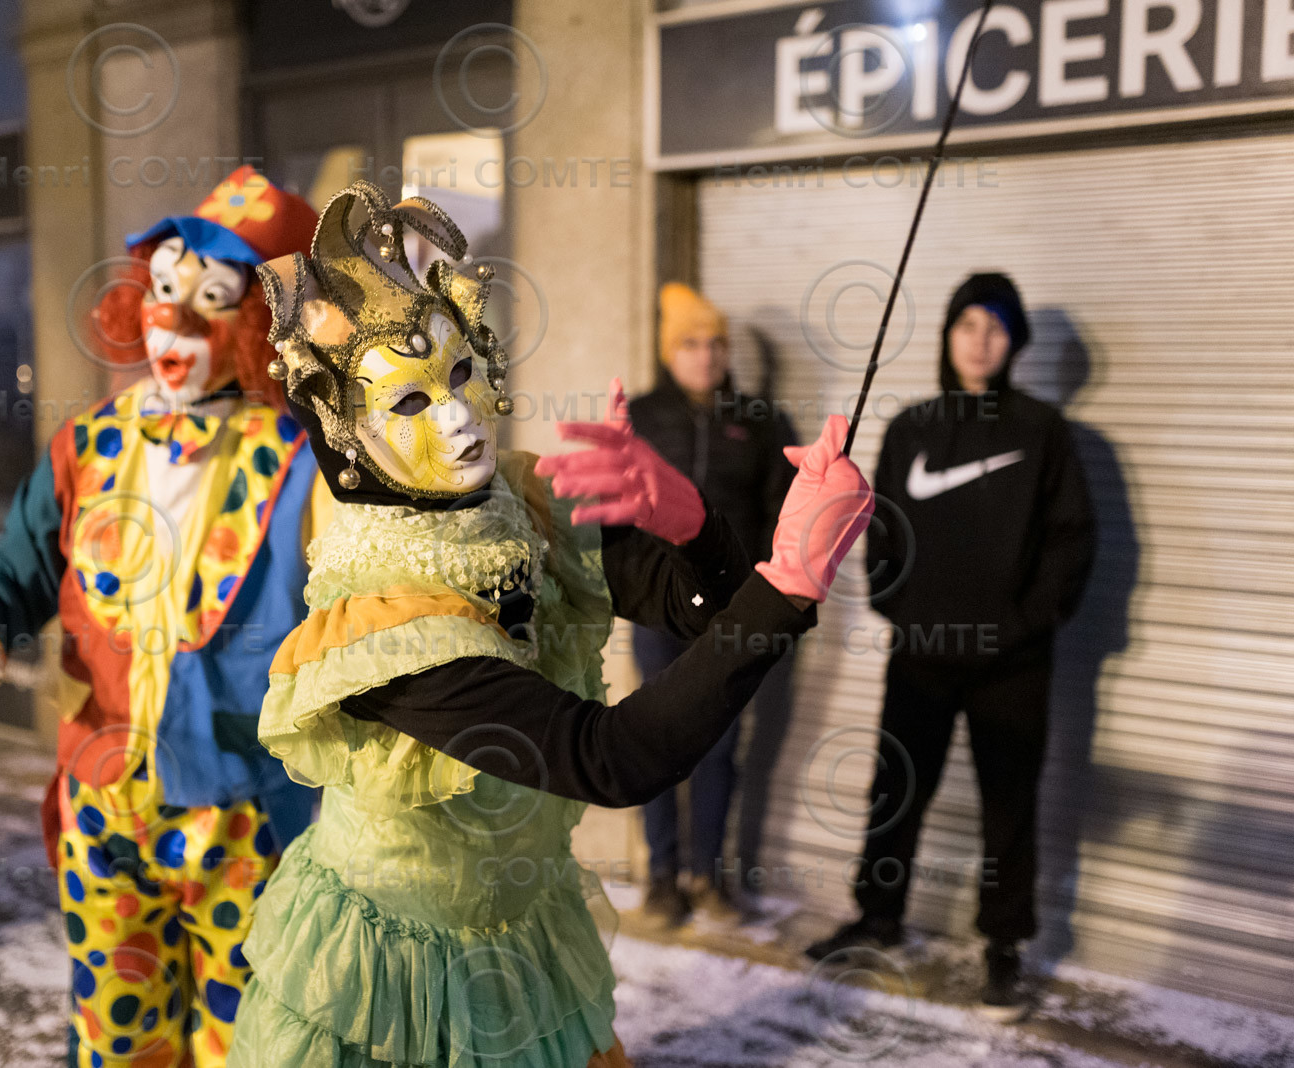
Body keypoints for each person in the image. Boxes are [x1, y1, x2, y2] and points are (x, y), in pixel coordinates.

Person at [222, 180, 872, 1067]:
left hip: (518, 928)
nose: (456, 418)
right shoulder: (380, 623)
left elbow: (700, 612)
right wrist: (790, 576)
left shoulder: (512, 503)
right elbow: (607, 756)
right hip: (396, 978)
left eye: (459, 374)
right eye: (407, 403)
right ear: (346, 435)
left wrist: (694, 526)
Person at [0, 168, 324, 1065]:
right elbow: (22, 562)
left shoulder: (307, 464)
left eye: (211, 300)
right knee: (118, 1042)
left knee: (253, 1047)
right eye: (165, 291)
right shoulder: (86, 444)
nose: (176, 321)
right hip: (100, 803)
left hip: (248, 818)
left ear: (260, 325)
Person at [804, 273, 1096, 1017]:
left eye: (996, 327)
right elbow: (882, 528)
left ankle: (1003, 946)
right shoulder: (912, 426)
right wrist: (898, 607)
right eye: (967, 324)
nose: (980, 340)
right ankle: (879, 917)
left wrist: (1026, 623)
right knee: (896, 788)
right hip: (923, 655)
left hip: (1013, 664)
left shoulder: (1042, 431)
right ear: (947, 334)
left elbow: (1072, 541)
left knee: (1009, 806)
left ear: (1015, 342)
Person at [627, 282, 797, 926]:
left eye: (716, 344)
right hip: (657, 607)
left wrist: (767, 591)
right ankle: (662, 876)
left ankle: (709, 876)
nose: (705, 356)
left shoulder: (759, 420)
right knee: (656, 739)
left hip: (732, 608)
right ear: (671, 352)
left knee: (721, 745)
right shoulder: (643, 417)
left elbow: (783, 512)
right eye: (691, 344)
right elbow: (619, 506)